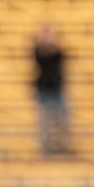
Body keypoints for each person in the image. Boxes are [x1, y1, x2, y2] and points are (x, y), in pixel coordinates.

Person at [33, 24, 71, 155]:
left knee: (63, 118)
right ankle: (46, 147)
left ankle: (62, 146)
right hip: (44, 90)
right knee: (44, 121)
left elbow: (58, 57)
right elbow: (41, 57)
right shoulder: (38, 50)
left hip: (56, 90)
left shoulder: (58, 51)